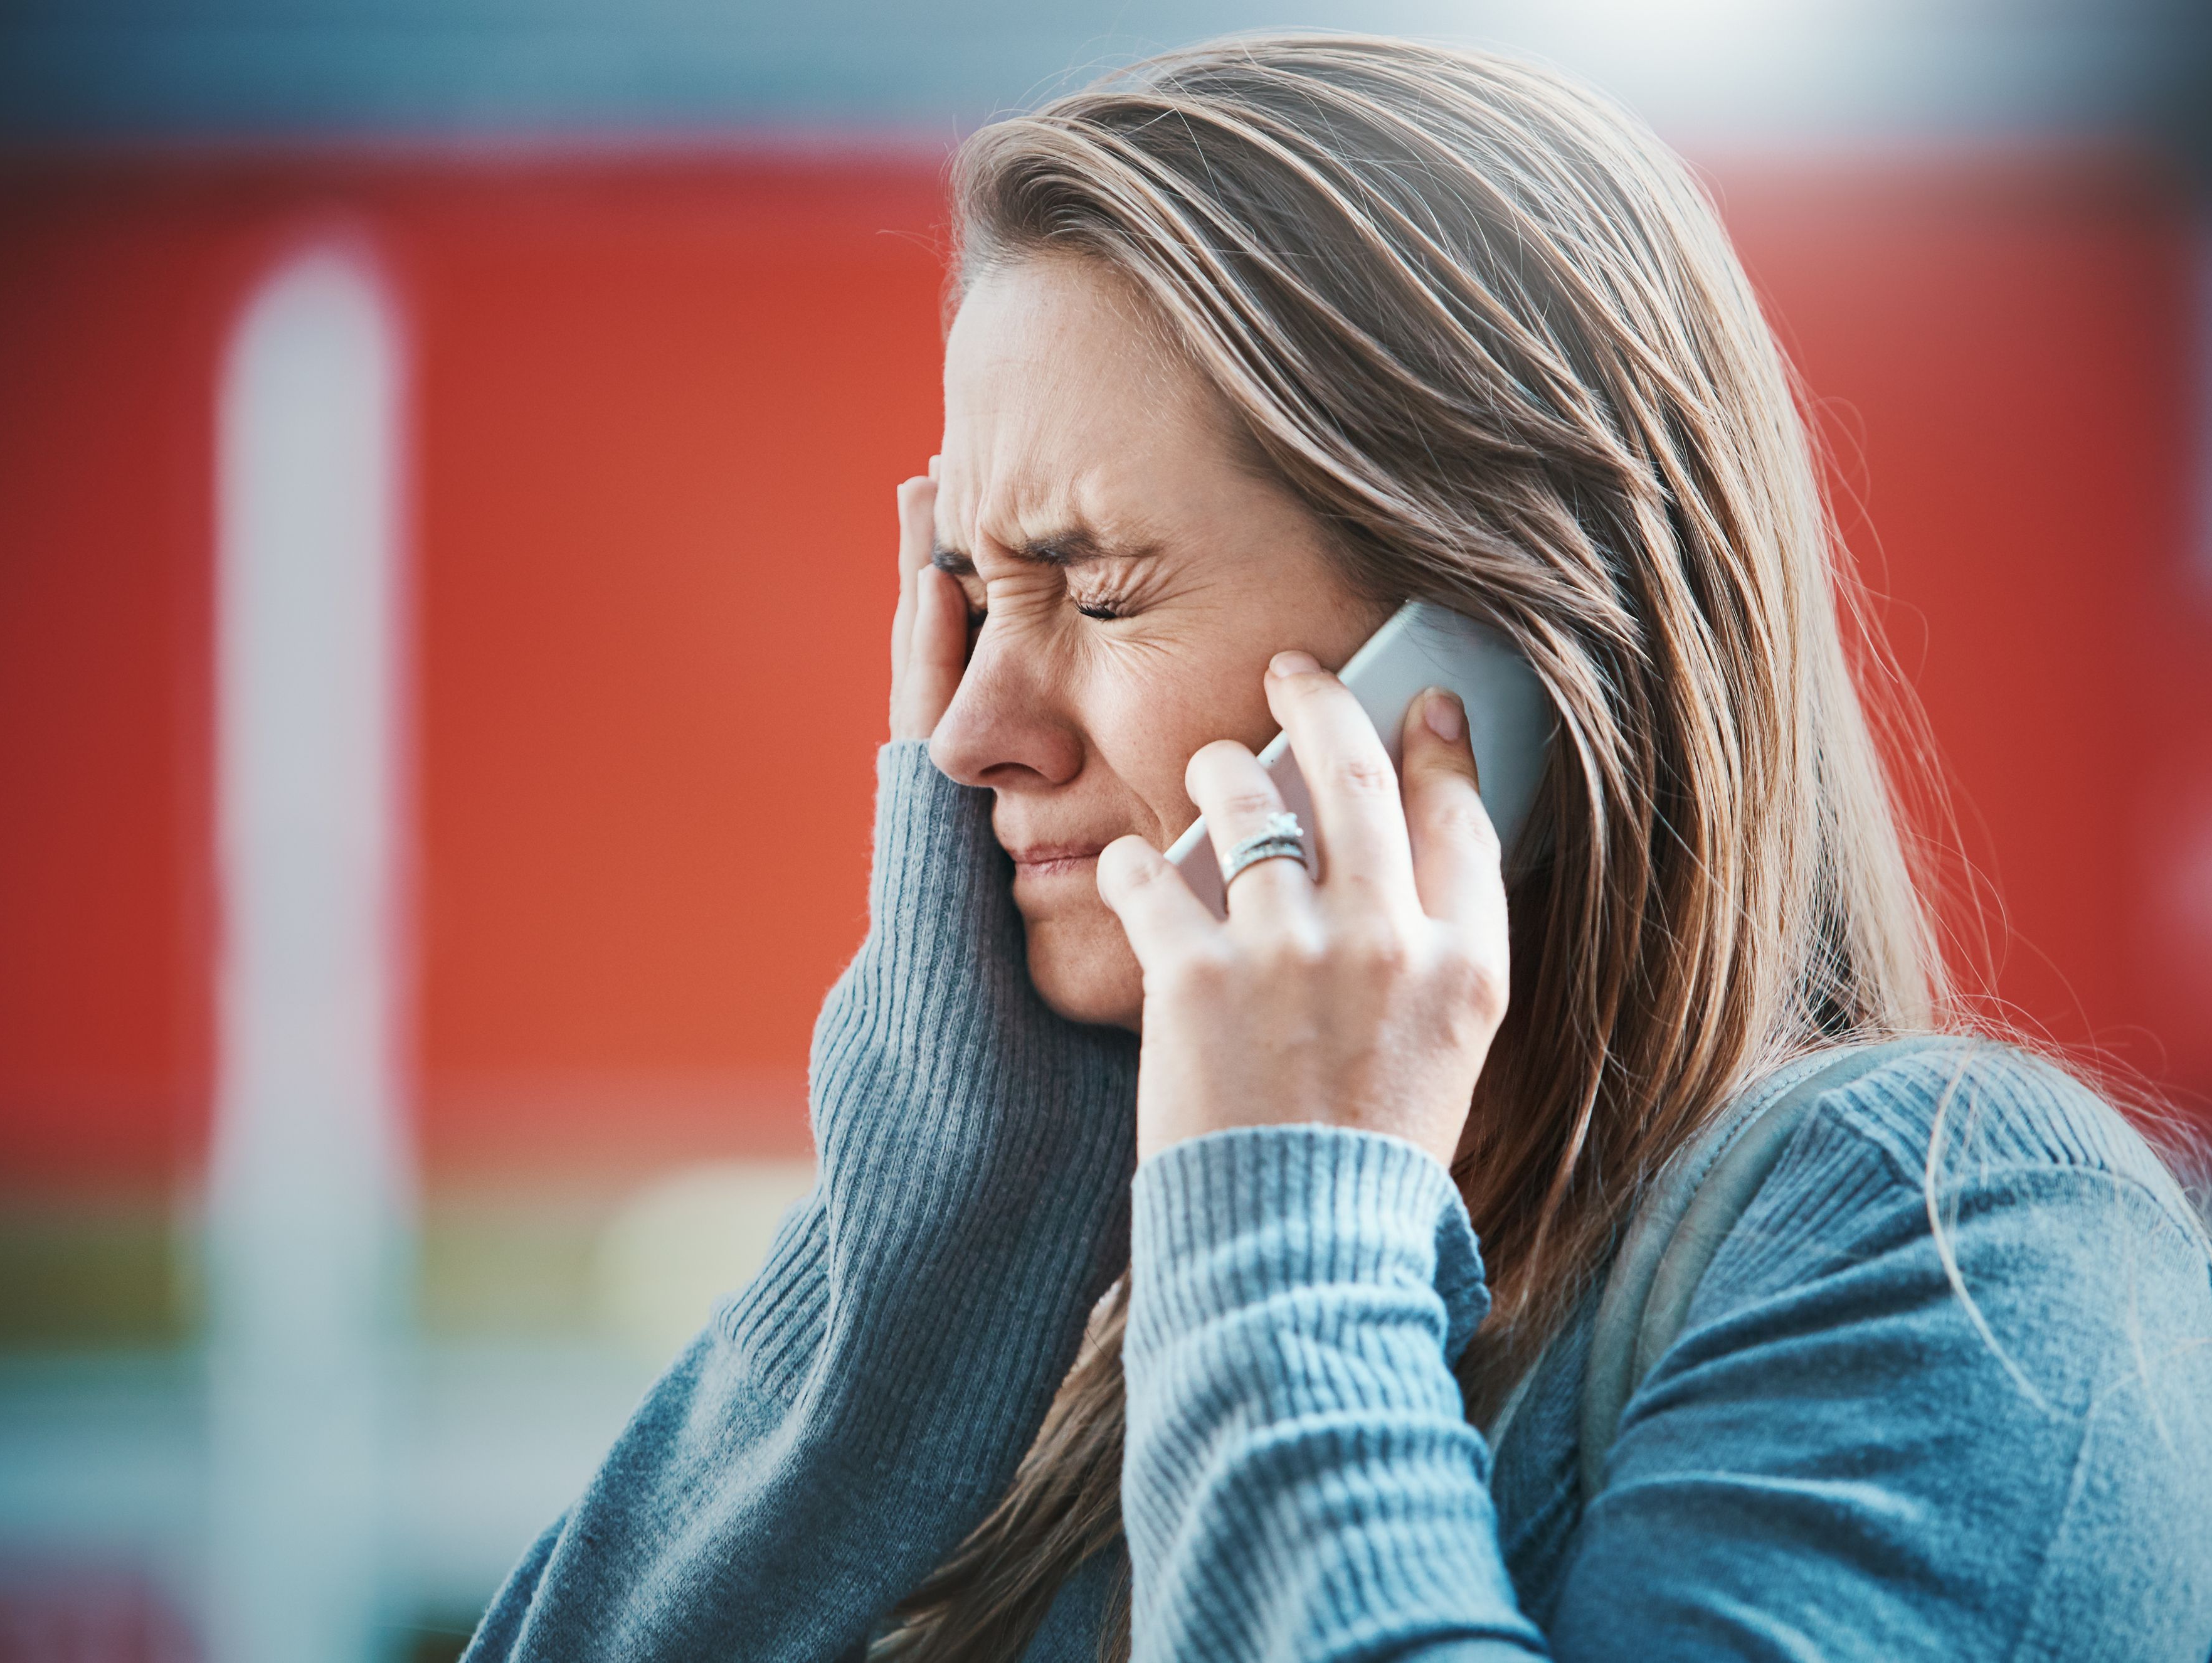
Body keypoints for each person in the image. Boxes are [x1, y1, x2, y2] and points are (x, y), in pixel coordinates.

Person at [463, 34, 2212, 1663]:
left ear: (1492, 658)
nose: (969, 735)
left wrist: (1288, 1236)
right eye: (967, 593)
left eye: (1094, 585)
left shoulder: (1955, 1246)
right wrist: (918, 1261)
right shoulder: (1084, 1382)